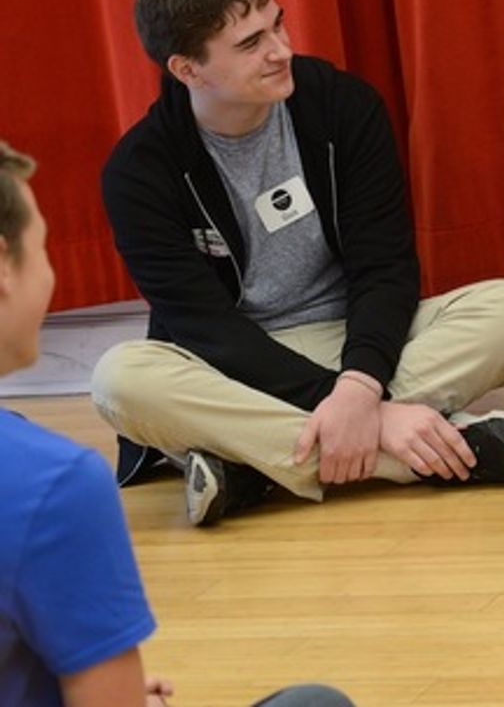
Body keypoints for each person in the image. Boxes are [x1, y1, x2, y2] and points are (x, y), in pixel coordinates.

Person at [92, 0, 504, 527]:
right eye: (251, 43)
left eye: (277, 24)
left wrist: (360, 387)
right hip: (232, 366)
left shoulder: (343, 105)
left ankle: (253, 467)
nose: (281, 50)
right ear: (188, 70)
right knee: (120, 380)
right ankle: (425, 451)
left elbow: (385, 267)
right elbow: (205, 327)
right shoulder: (139, 171)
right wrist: (372, 412)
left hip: (354, 340)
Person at [0, 142, 352, 706]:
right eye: (42, 249)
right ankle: (403, 444)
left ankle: (270, 457)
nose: (50, 274)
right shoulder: (53, 483)